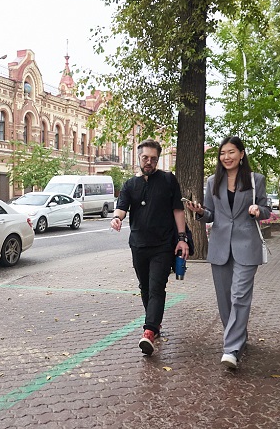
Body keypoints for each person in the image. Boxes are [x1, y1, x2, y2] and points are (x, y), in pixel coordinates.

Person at [186, 136, 271, 370]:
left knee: (239, 295)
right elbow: (211, 214)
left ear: (241, 154)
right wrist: (200, 212)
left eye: (231, 152)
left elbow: (266, 209)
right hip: (220, 245)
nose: (226, 157)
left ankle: (231, 349)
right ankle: (238, 337)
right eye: (223, 153)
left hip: (247, 245)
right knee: (224, 299)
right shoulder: (213, 181)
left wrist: (258, 210)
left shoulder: (256, 180)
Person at [109, 138, 189, 356]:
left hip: (163, 245)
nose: (149, 162)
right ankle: (155, 323)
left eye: (153, 159)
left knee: (156, 287)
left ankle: (149, 331)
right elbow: (121, 207)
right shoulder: (130, 184)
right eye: (145, 157)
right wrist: (116, 219)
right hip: (138, 245)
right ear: (139, 157)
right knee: (144, 287)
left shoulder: (168, 180)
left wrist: (182, 238)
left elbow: (178, 210)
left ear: (158, 159)